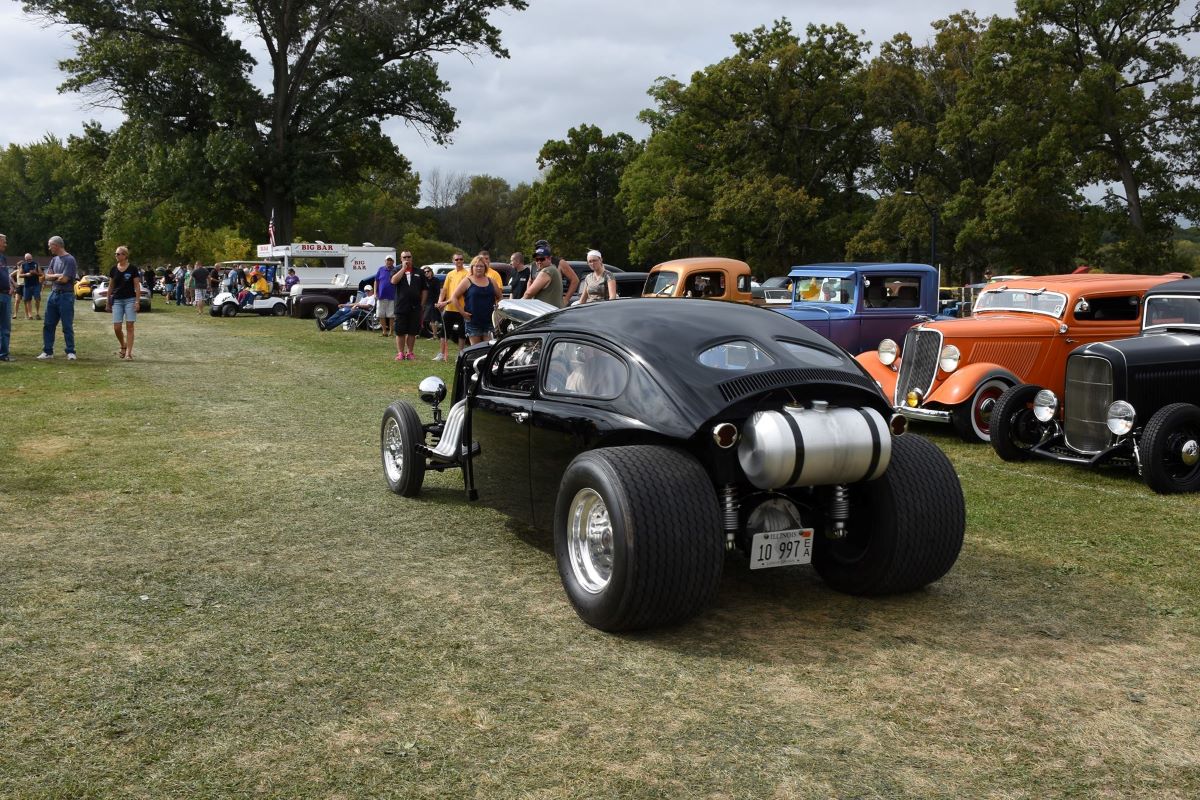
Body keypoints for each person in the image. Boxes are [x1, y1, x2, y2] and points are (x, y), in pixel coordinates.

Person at [38, 235, 79, 360]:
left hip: (66, 296)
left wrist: (54, 276)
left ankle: (70, 351)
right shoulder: (54, 260)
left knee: (67, 325)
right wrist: (57, 275)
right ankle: (48, 351)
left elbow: (65, 279)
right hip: (53, 294)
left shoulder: (70, 260)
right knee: (48, 324)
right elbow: (47, 276)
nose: (49, 248)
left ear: (56, 245)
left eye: (50, 245)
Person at [450, 255, 501, 345]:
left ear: (485, 268)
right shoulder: (467, 281)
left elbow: (500, 297)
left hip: (489, 321)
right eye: (476, 266)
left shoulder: (491, 281)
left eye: (481, 266)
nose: (479, 268)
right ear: (472, 267)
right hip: (473, 320)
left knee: (488, 348)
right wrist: (462, 312)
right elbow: (454, 297)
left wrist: (497, 309)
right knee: (476, 349)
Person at [389, 251, 427, 361]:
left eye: (409, 257)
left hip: (415, 307)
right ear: (401, 259)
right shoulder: (396, 270)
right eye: (404, 257)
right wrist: (403, 269)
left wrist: (422, 304)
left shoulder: (419, 272)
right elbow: (393, 281)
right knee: (400, 331)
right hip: (401, 306)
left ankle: (410, 352)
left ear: (412, 258)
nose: (407, 259)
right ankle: (400, 353)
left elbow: (424, 289)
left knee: (412, 331)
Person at [106, 245, 141, 360]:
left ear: (125, 256)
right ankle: (123, 345)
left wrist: (137, 301)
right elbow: (111, 286)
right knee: (117, 327)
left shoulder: (133, 269)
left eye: (118, 254)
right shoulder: (113, 269)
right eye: (116, 254)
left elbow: (137, 286)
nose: (116, 255)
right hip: (117, 300)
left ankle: (128, 354)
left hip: (130, 300)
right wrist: (108, 301)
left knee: (130, 326)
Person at [433, 253, 469, 360]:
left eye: (461, 259)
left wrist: (445, 303)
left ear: (463, 261)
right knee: (444, 332)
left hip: (461, 308)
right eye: (456, 259)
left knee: (461, 333)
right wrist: (440, 301)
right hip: (449, 309)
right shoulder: (450, 274)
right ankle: (441, 354)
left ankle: (460, 355)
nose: (459, 261)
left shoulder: (467, 274)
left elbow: (459, 294)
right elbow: (444, 290)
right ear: (453, 261)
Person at [532, 239, 578, 304]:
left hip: (553, 303)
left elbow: (575, 280)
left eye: (543, 248)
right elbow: (530, 280)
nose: (541, 250)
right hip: (537, 303)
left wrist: (566, 299)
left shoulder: (560, 263)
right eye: (538, 248)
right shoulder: (534, 264)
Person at [523, 242, 563, 307]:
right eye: (537, 259)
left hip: (547, 313)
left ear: (549, 258)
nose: (539, 262)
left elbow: (529, 293)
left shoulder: (547, 271)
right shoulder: (554, 269)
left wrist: (520, 304)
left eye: (542, 259)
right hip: (554, 312)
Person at [374, 256, 397, 338]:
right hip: (381, 295)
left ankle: (391, 332)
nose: (389, 262)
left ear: (393, 262)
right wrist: (375, 292)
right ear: (385, 261)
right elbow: (376, 281)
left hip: (392, 296)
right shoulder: (381, 269)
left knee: (391, 315)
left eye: (391, 260)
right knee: (381, 314)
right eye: (388, 260)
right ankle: (384, 331)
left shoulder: (396, 270)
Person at [419, 266, 442, 339]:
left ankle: (435, 335)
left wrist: (437, 302)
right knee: (420, 318)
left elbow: (438, 292)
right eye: (425, 272)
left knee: (433, 319)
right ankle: (417, 334)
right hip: (424, 301)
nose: (426, 273)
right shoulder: (423, 281)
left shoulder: (436, 280)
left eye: (428, 271)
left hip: (432, 301)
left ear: (431, 272)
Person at [19, 252, 42, 320]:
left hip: (36, 284)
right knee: (28, 300)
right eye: (27, 259)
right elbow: (20, 275)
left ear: (32, 258)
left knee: (37, 299)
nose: (29, 260)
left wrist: (35, 273)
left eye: (30, 259)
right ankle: (30, 315)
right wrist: (26, 274)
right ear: (25, 259)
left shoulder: (36, 264)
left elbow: (41, 274)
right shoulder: (23, 265)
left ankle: (37, 313)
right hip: (27, 285)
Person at [0, 234, 10, 361]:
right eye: (4, 242)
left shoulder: (3, 258)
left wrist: (11, 285)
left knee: (5, 327)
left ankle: (3, 354)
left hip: (5, 294)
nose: (6, 244)